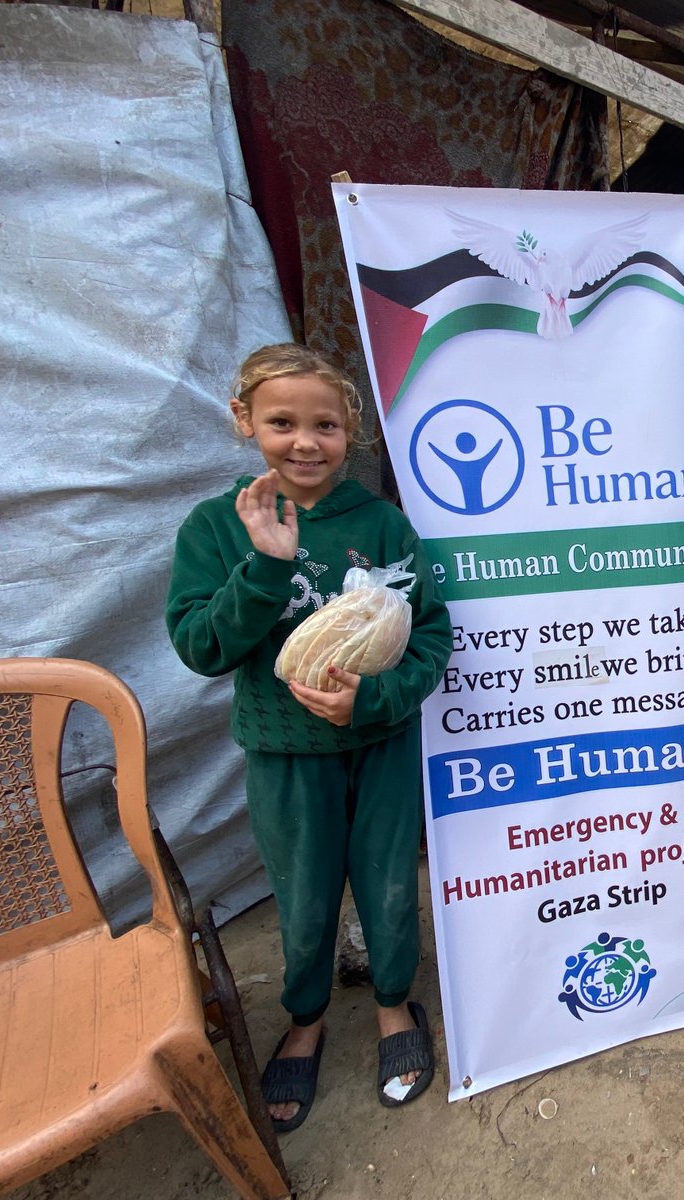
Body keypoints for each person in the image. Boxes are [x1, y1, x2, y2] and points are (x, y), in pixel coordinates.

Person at [166, 344, 452, 1131]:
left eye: (324, 424)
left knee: (390, 882)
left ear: (350, 429)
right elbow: (200, 648)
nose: (305, 442)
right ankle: (305, 1016)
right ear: (244, 422)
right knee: (303, 895)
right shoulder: (220, 527)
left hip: (381, 742)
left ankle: (396, 1005)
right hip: (285, 753)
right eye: (282, 422)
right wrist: (263, 567)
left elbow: (428, 633)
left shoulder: (383, 523)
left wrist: (375, 696)